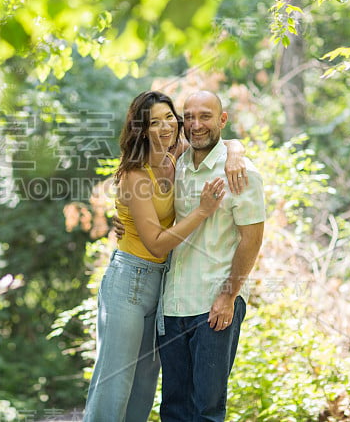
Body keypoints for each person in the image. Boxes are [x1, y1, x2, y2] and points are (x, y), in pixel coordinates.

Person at [83, 91, 247, 422]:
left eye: (169, 118)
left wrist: (236, 153)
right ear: (141, 130)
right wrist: (202, 210)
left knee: (144, 384)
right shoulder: (135, 174)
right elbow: (157, 244)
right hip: (128, 282)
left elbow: (219, 143)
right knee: (115, 382)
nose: (164, 127)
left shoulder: (176, 158)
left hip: (161, 285)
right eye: (154, 122)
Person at [158, 91, 265, 422]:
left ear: (223, 119)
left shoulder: (241, 173)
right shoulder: (177, 166)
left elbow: (252, 239)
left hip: (215, 304)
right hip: (174, 303)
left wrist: (228, 294)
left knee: (207, 409)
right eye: (188, 116)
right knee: (174, 408)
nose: (195, 124)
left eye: (205, 116)